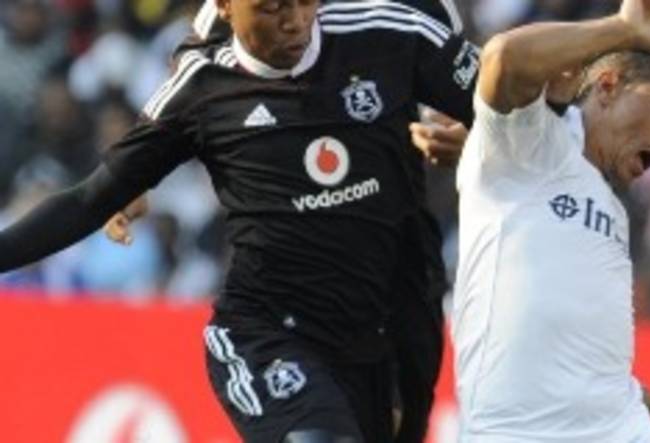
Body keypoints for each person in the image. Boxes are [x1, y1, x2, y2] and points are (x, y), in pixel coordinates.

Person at [0, 0, 480, 441]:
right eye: (272, 8)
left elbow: (507, 102)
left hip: (396, 302)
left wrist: (485, 138)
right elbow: (91, 198)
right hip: (272, 326)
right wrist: (132, 182)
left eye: (306, 2)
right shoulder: (203, 86)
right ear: (226, 7)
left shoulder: (395, 31)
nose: (295, 22)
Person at [453, 0, 650, 441]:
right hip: (515, 432)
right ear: (608, 86)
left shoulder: (613, 206)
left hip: (617, 424)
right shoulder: (533, 142)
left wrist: (618, 388)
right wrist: (623, 28)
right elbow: (503, 57)